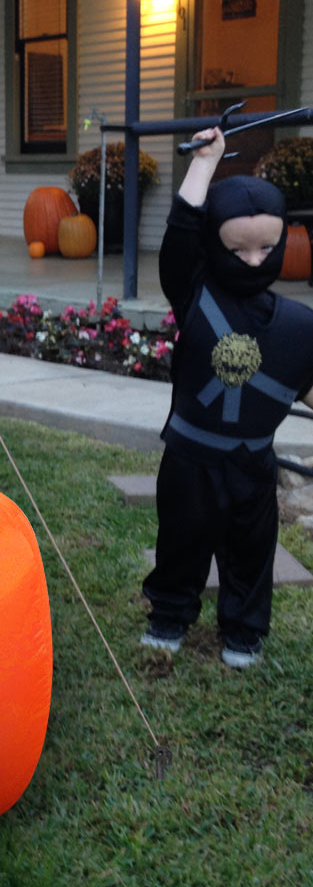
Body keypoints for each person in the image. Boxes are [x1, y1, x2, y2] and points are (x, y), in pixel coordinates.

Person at [141, 125, 313, 668]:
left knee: (251, 549)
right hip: (190, 458)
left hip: (252, 464)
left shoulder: (298, 326)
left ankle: (244, 630)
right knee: (181, 541)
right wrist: (204, 163)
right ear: (216, 243)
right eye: (238, 248)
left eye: (267, 247)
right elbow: (180, 237)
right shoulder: (194, 295)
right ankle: (170, 615)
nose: (254, 259)